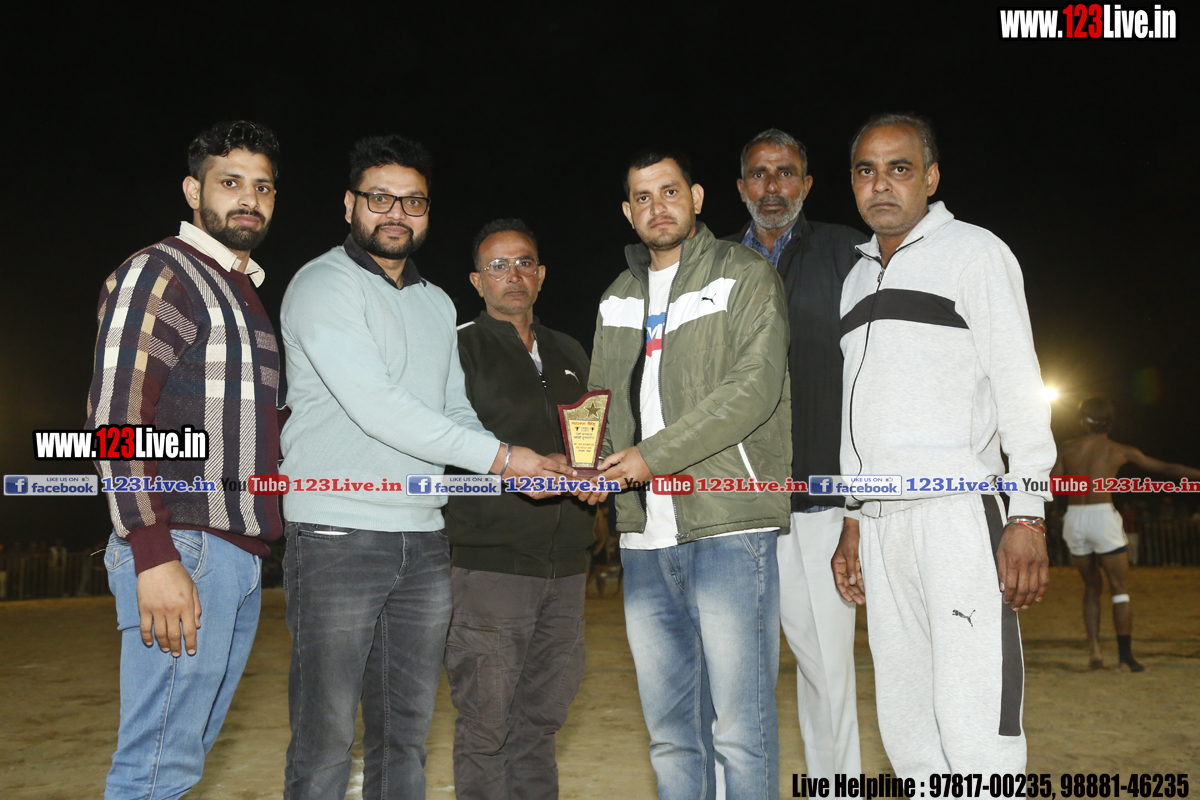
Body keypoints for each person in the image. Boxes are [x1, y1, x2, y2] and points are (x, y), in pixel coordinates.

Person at [279, 137, 571, 800]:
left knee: (405, 736)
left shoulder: (437, 302)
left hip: (423, 538)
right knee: (325, 739)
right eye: (380, 198)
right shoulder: (323, 284)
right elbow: (377, 406)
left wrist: (518, 466)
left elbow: (453, 410)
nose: (396, 213)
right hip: (336, 535)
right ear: (349, 204)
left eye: (412, 201)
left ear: (427, 211)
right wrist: (506, 459)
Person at [830, 114, 1055, 778]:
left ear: (930, 178)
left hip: (957, 519)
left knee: (975, 723)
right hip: (881, 527)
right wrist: (853, 517)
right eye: (866, 170)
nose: (881, 184)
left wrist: (1027, 513)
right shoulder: (855, 279)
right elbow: (856, 413)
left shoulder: (975, 253)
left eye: (899, 168)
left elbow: (1020, 388)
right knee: (908, 729)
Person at [86, 120, 283, 798]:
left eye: (263, 186)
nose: (249, 198)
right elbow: (117, 419)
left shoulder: (241, 290)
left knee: (177, 764)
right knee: (155, 770)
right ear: (193, 191)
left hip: (235, 555)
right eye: (230, 182)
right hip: (185, 547)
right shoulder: (163, 271)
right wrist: (153, 551)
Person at [589, 149, 791, 799]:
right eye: (643, 197)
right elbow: (599, 403)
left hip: (728, 528)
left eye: (670, 191)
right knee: (672, 735)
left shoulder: (744, 274)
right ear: (628, 211)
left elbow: (752, 390)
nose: (658, 207)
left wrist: (649, 458)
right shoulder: (617, 298)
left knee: (741, 732)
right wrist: (588, 464)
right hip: (644, 539)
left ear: (697, 197)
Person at [723, 128, 866, 778]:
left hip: (819, 503)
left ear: (806, 184)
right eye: (759, 174)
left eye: (785, 173)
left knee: (826, 671)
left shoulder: (849, 253)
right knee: (728, 678)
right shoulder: (712, 263)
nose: (772, 186)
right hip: (733, 507)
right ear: (741, 187)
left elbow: (871, 377)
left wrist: (857, 506)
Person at [443, 218, 595, 799]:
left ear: (542, 274)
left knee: (541, 725)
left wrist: (594, 473)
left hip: (567, 567)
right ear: (477, 281)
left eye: (524, 262)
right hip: (490, 567)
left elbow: (590, 439)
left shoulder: (569, 350)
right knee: (487, 728)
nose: (513, 275)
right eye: (498, 266)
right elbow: (439, 438)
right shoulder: (456, 348)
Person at [1053, 396, 1200, 671]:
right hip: (1102, 517)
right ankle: (1125, 659)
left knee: (1091, 587)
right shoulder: (1119, 450)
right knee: (1119, 591)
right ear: (1110, 423)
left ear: (1083, 421)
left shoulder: (1068, 448)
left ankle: (1095, 650)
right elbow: (1168, 468)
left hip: (1074, 518)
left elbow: (1054, 485)